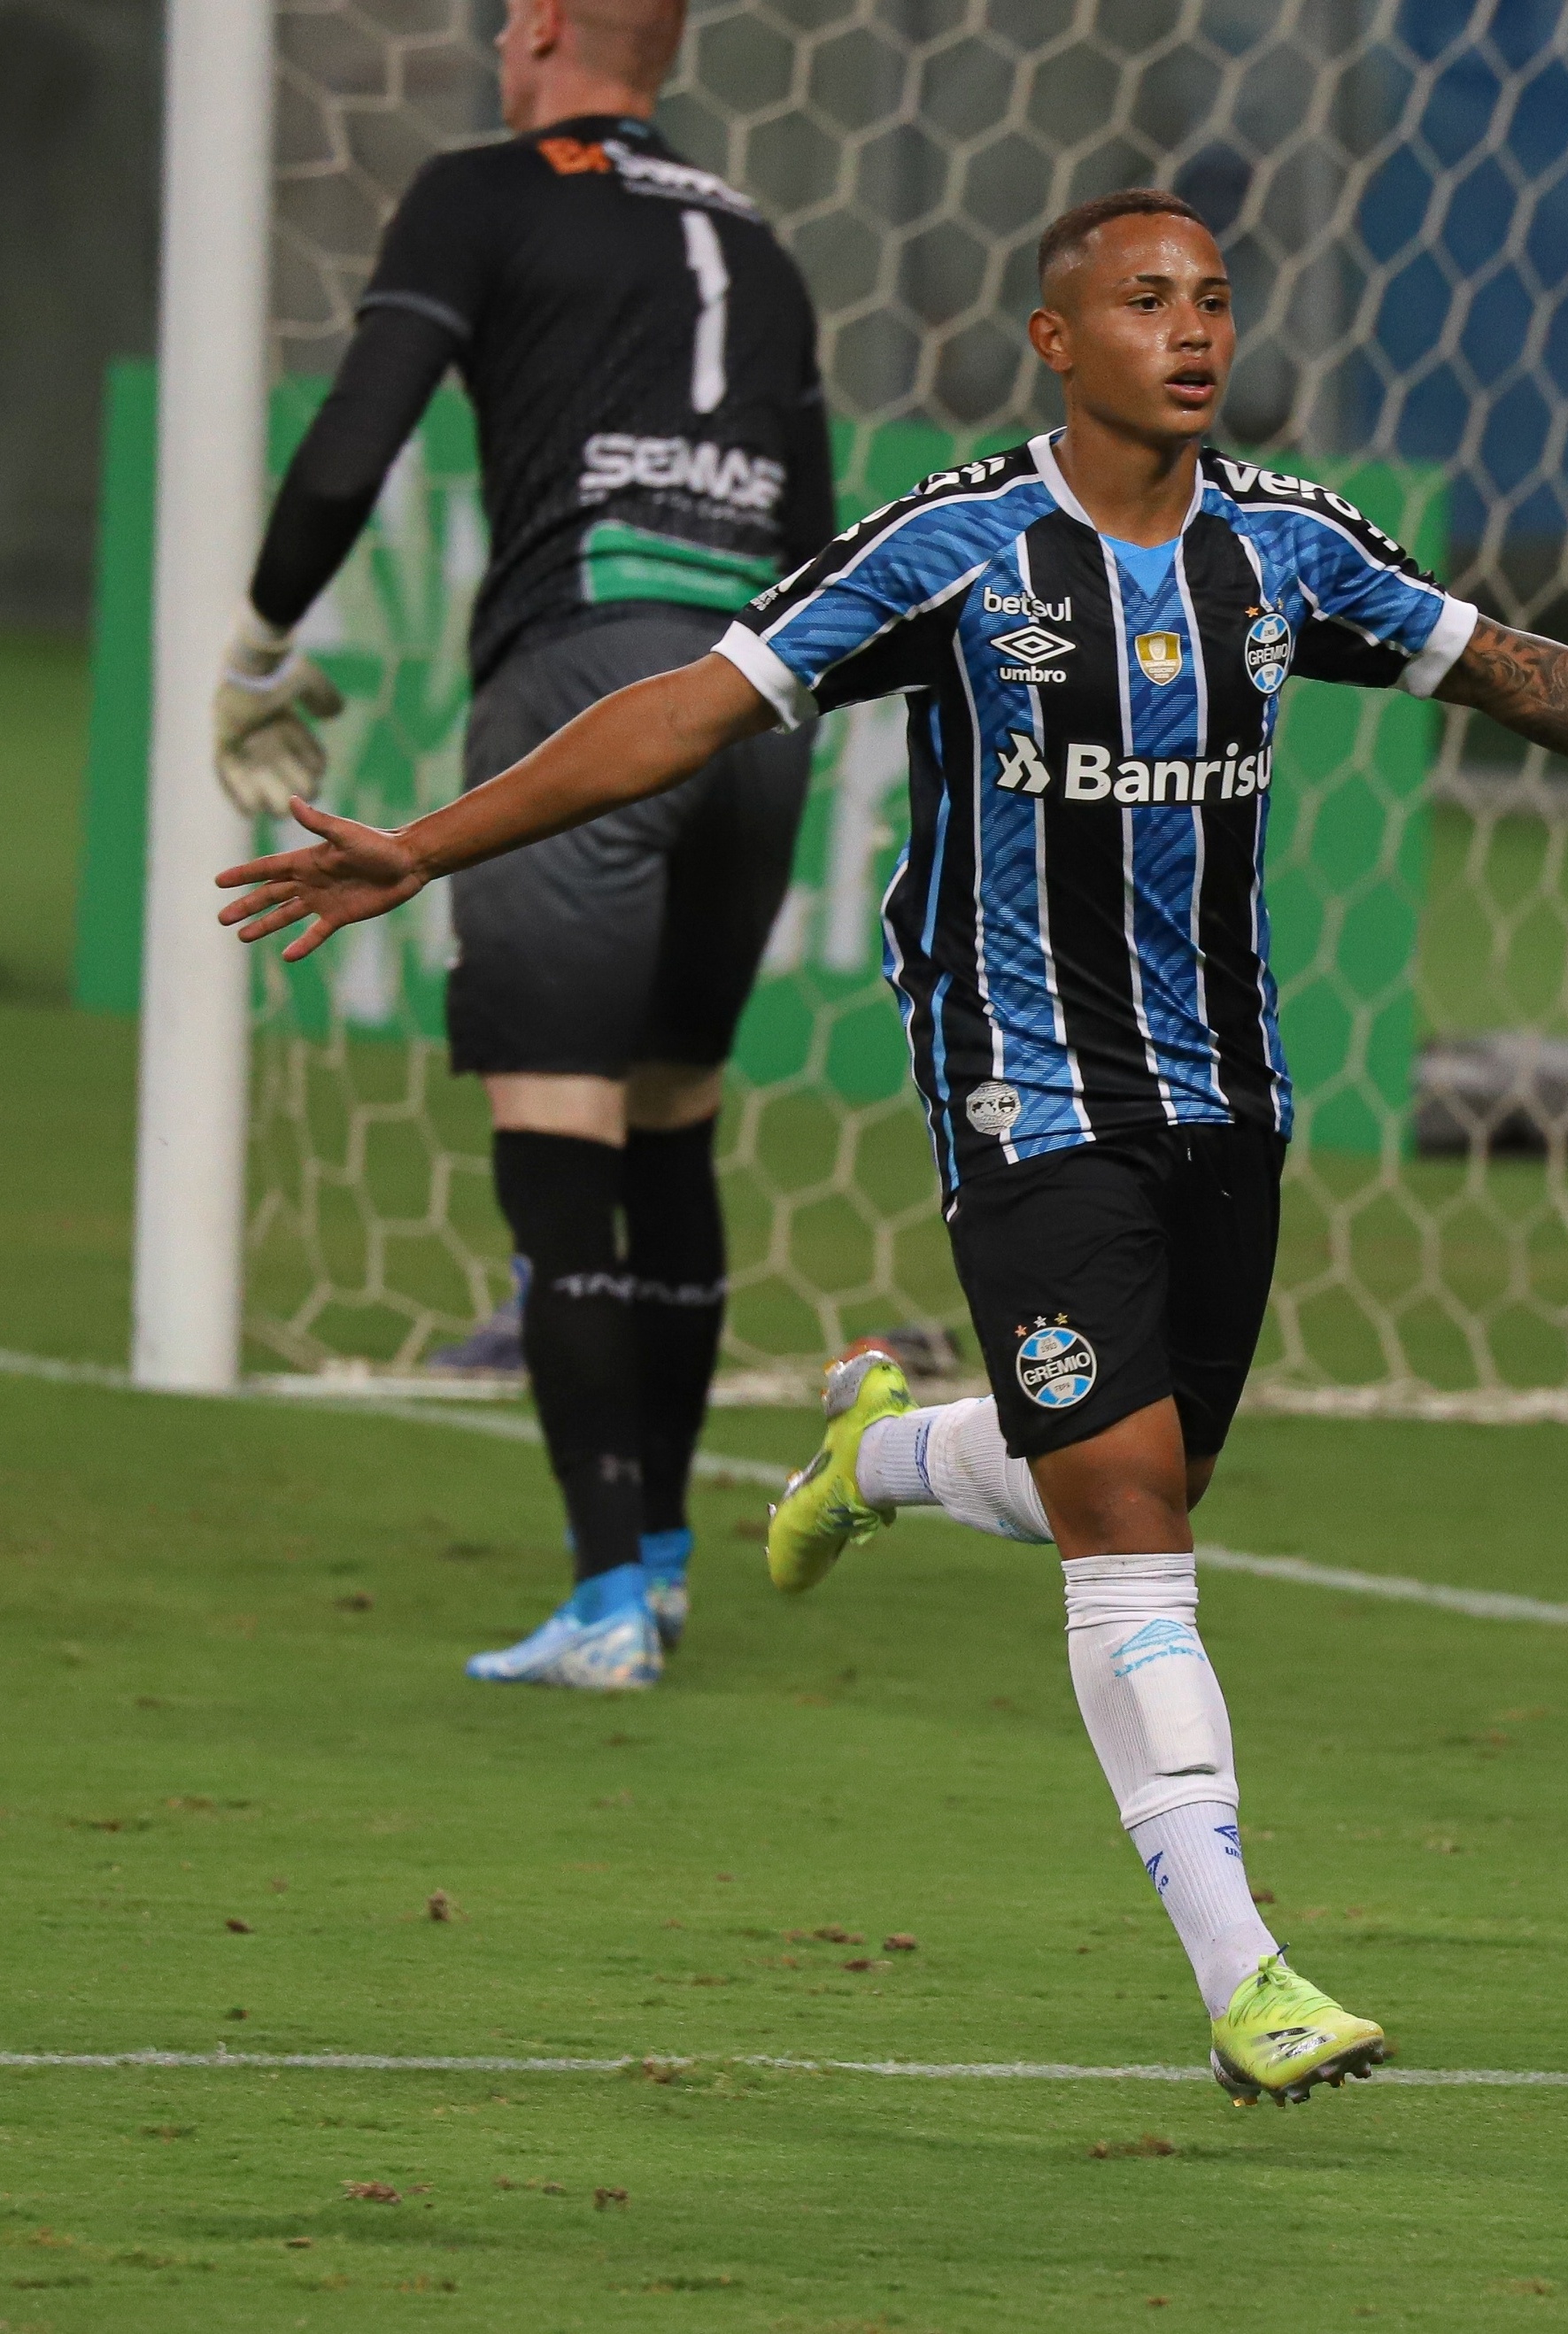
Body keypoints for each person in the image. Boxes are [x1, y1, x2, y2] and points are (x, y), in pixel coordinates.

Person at [214, 188, 1568, 2099]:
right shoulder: (955, 547)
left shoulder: (1287, 547)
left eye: (1210, 299)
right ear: (1058, 339)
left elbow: (1517, 666)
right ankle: (1247, 1971)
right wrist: (427, 845)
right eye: (1144, 301)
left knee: (1141, 1464)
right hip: (1026, 1094)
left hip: (1228, 1095)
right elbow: (689, 711)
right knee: (1132, 1518)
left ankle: (894, 1447)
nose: (1191, 331)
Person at [211, 0, 835, 1690]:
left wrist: (261, 648)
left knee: (558, 1141)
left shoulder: (483, 190)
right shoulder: (761, 242)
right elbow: (825, 529)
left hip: (583, 685)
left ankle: (606, 1602)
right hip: (754, 707)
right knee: (672, 1128)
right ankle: (668, 1565)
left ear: (545, 26)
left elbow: (357, 439)